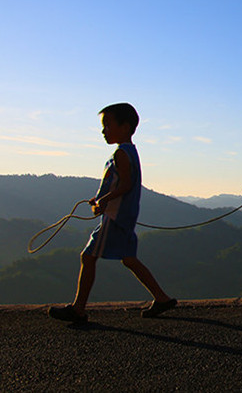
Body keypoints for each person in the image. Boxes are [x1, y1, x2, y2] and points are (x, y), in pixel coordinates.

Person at [49, 103, 176, 323]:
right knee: (129, 260)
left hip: (115, 218)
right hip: (124, 216)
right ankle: (162, 298)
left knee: (88, 257)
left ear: (125, 127)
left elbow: (125, 185)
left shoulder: (120, 153)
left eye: (107, 125)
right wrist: (100, 198)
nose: (103, 131)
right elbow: (121, 184)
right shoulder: (130, 152)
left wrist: (104, 200)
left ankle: (78, 309)